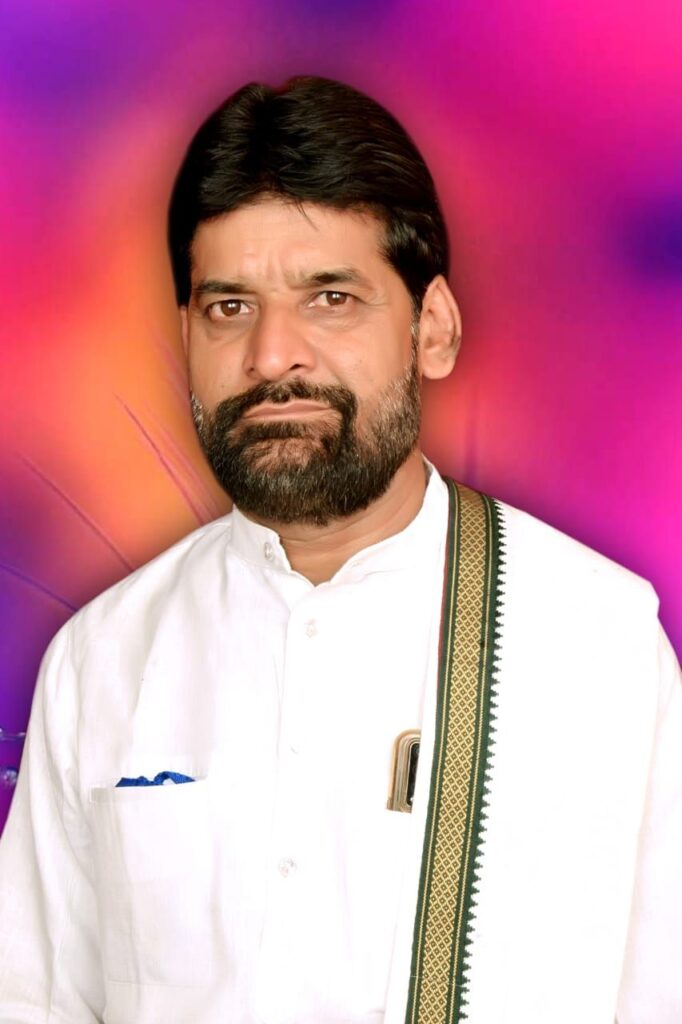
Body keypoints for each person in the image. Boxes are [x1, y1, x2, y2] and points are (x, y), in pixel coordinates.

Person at [0, 76, 679, 1024]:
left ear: (432, 329)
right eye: (229, 307)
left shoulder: (593, 639)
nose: (273, 355)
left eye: (330, 298)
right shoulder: (103, 659)